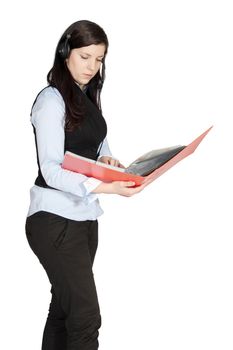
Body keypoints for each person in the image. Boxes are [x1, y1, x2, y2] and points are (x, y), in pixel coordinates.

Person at [25, 19, 147, 350]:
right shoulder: (51, 101)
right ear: (65, 53)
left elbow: (96, 146)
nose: (92, 66)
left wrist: (107, 161)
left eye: (99, 59)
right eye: (85, 56)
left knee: (64, 312)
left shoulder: (86, 97)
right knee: (85, 317)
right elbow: (51, 170)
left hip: (83, 219)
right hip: (54, 221)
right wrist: (109, 188)